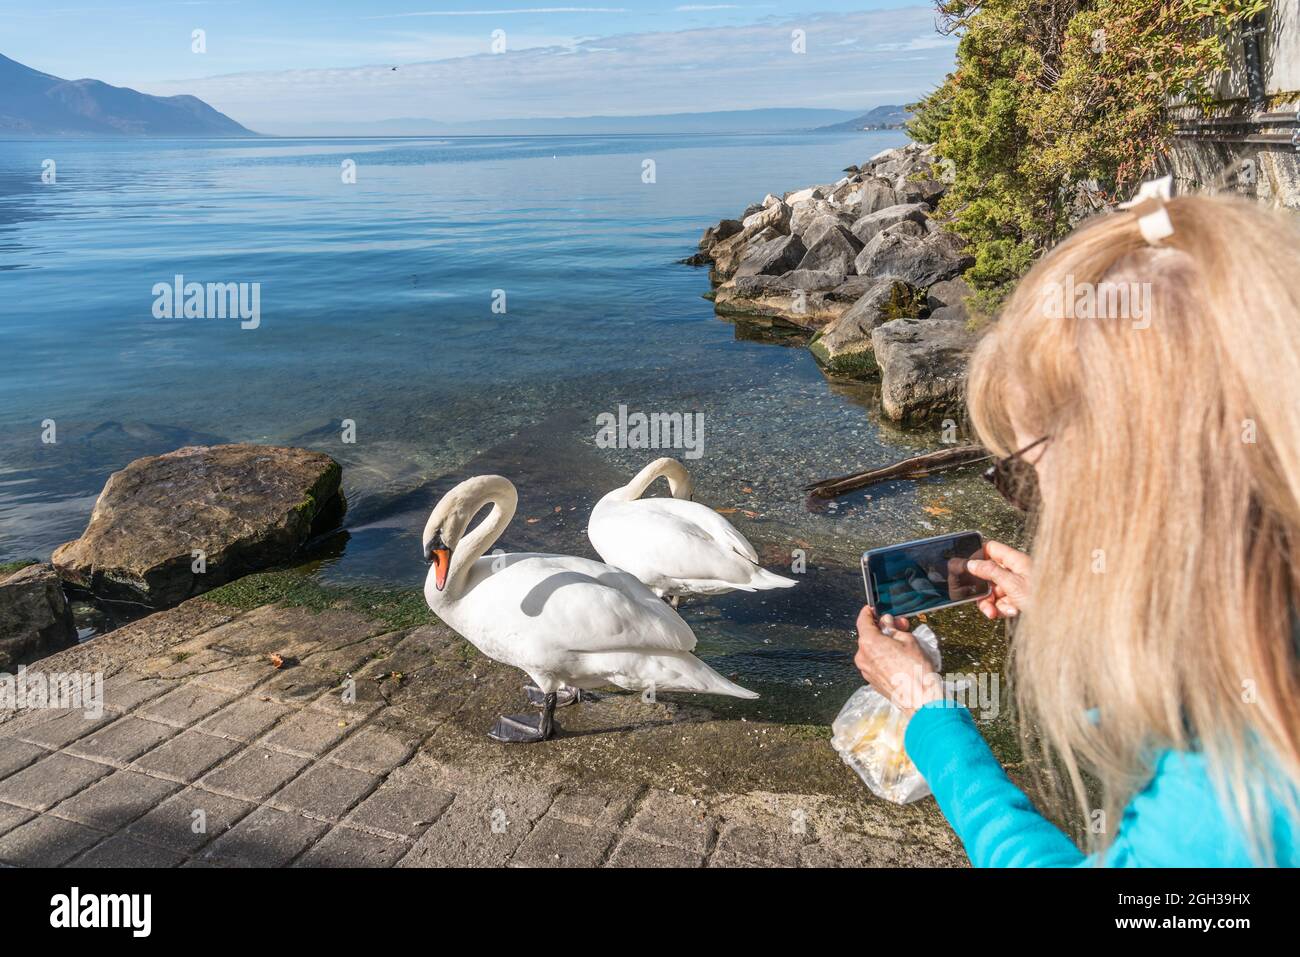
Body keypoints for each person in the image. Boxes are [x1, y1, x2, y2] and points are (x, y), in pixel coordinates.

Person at [853, 192, 1300, 866]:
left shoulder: (1226, 812)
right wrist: (1087, 623)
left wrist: (928, 715)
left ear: (1123, 485)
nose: (1039, 513)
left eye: (1024, 479)